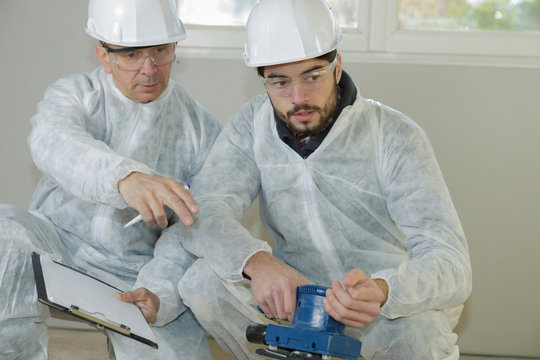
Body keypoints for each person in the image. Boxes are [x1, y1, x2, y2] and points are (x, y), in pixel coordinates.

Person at [177, 0, 472, 359]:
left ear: (337, 68)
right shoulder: (251, 127)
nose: (298, 97)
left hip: (376, 311)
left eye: (312, 76)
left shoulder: (394, 135)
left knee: (421, 332)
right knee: (202, 282)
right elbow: (203, 210)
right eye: (280, 82)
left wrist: (383, 289)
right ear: (263, 79)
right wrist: (257, 262)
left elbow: (450, 263)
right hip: (296, 305)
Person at [0, 0, 221, 359]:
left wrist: (159, 291)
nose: (149, 70)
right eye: (131, 54)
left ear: (175, 48)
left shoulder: (203, 131)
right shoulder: (74, 94)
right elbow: (51, 140)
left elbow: (192, 231)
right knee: (3, 232)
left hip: (134, 272)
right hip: (55, 240)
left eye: (160, 51)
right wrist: (125, 178)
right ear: (103, 56)